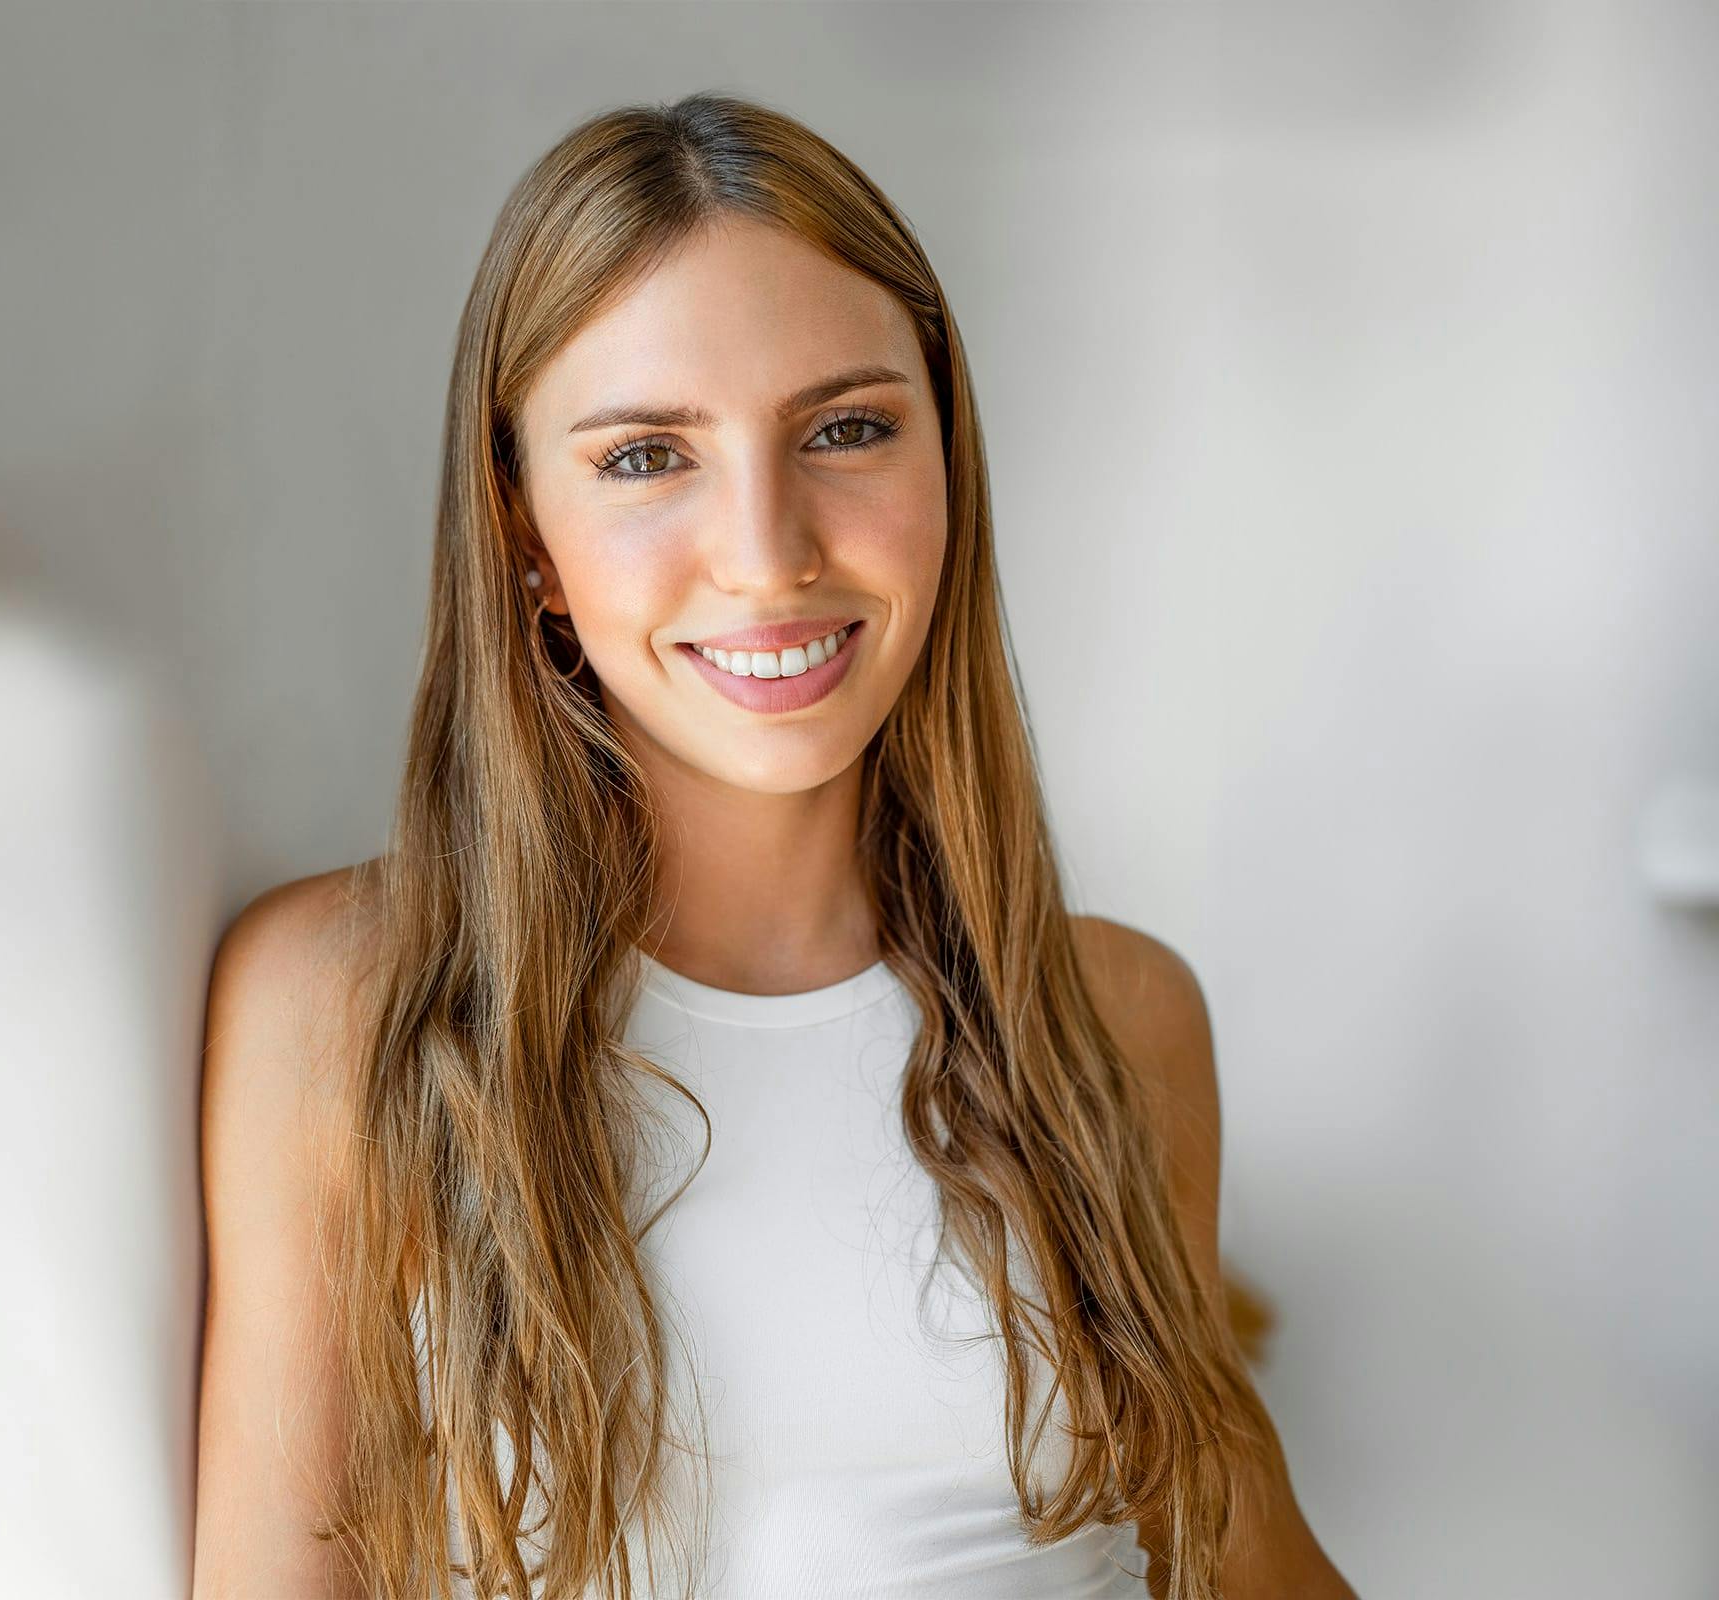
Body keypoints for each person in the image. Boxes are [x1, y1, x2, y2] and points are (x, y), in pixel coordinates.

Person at [191, 92, 1356, 1600]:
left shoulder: (1120, 1021)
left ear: (950, 465)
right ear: (523, 536)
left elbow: (1242, 1559)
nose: (767, 547)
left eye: (849, 429)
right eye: (643, 459)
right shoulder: (345, 1008)